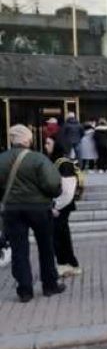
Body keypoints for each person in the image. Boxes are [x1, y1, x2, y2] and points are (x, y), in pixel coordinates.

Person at [0, 124, 64, 303]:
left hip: (12, 209)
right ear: (28, 139)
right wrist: (54, 194)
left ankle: (24, 289)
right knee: (46, 246)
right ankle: (50, 284)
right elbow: (52, 184)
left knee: (19, 249)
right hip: (39, 208)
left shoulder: (2, 159)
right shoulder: (38, 159)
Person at [45, 136, 81, 278]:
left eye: (49, 143)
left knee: (59, 236)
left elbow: (67, 189)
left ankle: (66, 264)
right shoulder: (55, 161)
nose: (46, 145)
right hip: (59, 205)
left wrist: (56, 206)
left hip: (61, 205)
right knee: (61, 235)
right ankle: (69, 264)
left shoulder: (63, 163)